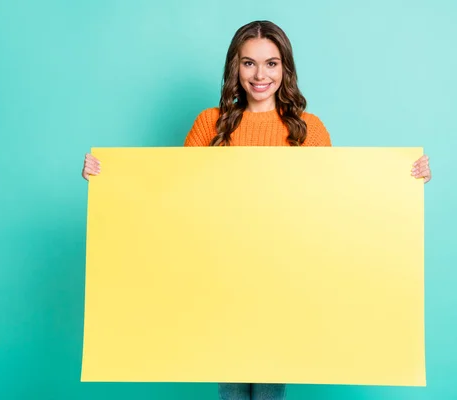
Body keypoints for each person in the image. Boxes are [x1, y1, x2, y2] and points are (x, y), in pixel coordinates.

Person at [81, 20, 432, 400]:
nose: (259, 74)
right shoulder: (209, 126)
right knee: (231, 392)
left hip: (283, 283)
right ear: (235, 67)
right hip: (219, 280)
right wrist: (109, 180)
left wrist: (404, 181)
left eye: (271, 63)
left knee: (267, 394)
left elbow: (335, 209)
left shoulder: (308, 130)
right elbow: (171, 200)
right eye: (248, 63)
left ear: (285, 68)